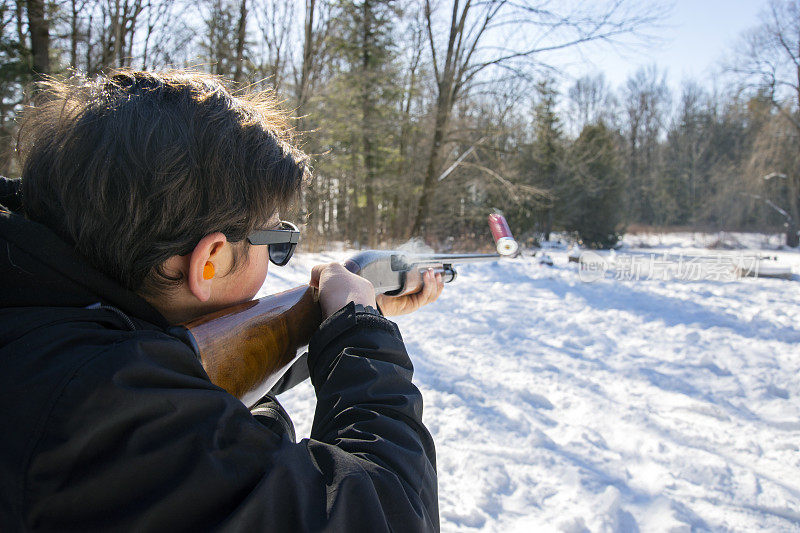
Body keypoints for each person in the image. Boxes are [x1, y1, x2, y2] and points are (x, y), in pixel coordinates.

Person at [0, 69, 441, 531]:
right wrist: (363, 335)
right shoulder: (101, 408)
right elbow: (392, 511)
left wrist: (329, 327)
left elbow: (201, 362)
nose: (275, 256)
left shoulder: (43, 322)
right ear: (207, 259)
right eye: (275, 237)